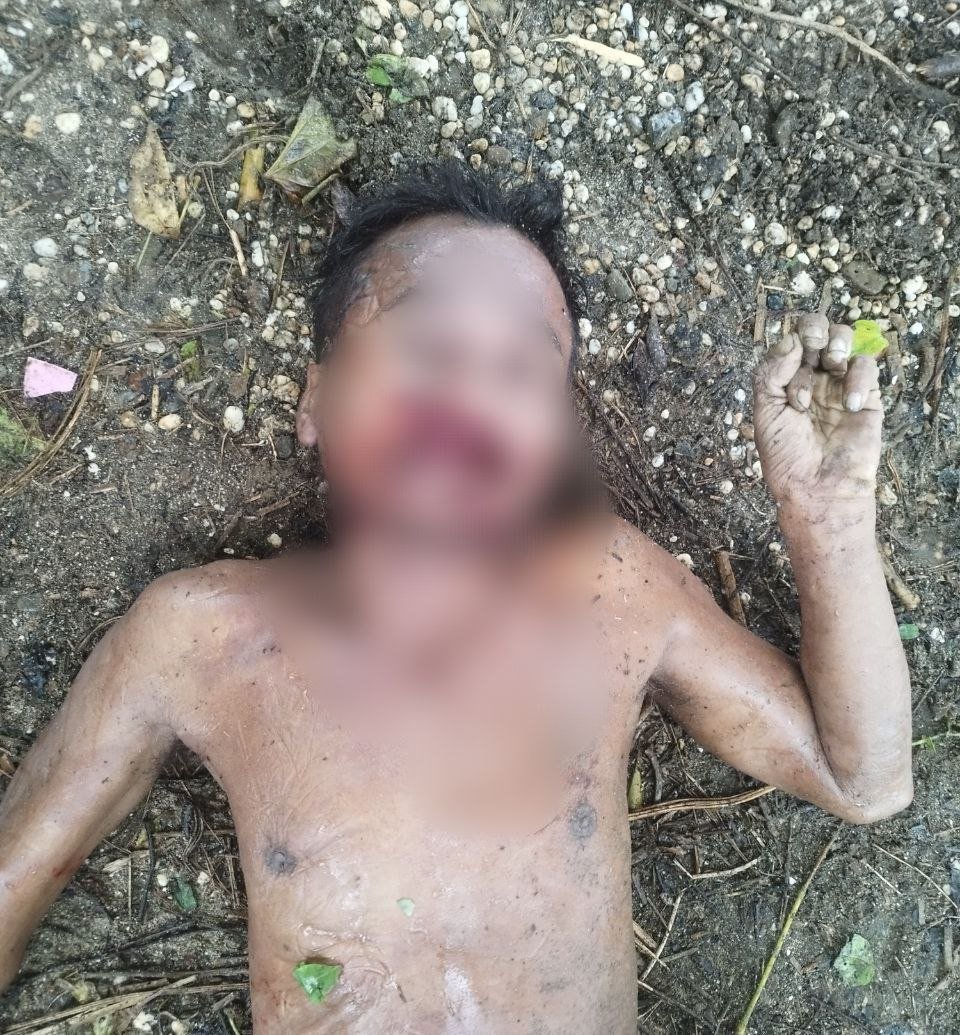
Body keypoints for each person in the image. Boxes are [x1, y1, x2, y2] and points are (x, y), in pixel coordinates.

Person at [0, 163, 912, 1034]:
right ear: (317, 397)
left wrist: (826, 519)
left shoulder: (614, 591)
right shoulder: (198, 635)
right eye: (428, 348)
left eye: (519, 371)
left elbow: (862, 778)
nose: (469, 401)